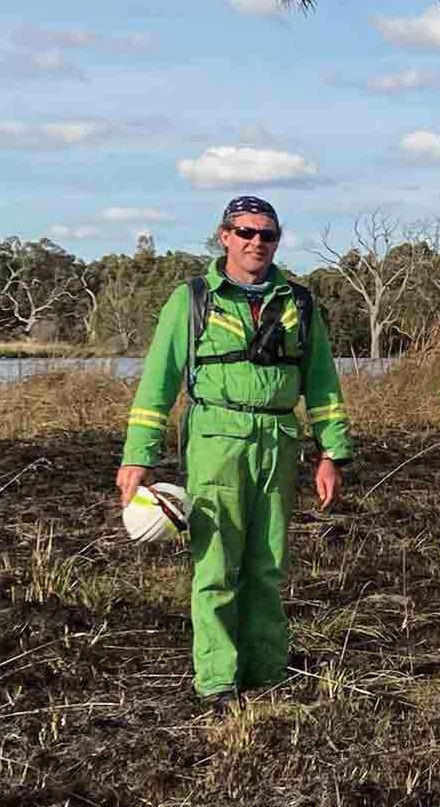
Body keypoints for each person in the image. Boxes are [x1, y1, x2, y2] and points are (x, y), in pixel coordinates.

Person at [115, 195, 352, 707]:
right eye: (245, 232)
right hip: (215, 442)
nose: (256, 243)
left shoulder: (299, 302)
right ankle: (218, 679)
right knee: (217, 565)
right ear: (224, 236)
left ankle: (267, 670)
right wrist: (139, 454)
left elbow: (322, 383)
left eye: (267, 235)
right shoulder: (193, 299)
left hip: (278, 442)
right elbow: (158, 380)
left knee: (268, 564)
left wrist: (331, 453)